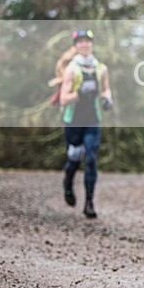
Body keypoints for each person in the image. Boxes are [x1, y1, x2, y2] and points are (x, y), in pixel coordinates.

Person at [56, 30, 113, 218]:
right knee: (74, 159)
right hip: (73, 122)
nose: (84, 44)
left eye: (87, 41)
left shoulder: (101, 69)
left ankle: (89, 203)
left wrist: (107, 99)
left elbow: (106, 89)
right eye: (80, 42)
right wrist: (80, 94)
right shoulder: (71, 70)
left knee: (90, 159)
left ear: (92, 44)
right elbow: (63, 99)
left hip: (92, 121)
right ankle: (68, 182)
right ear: (76, 46)